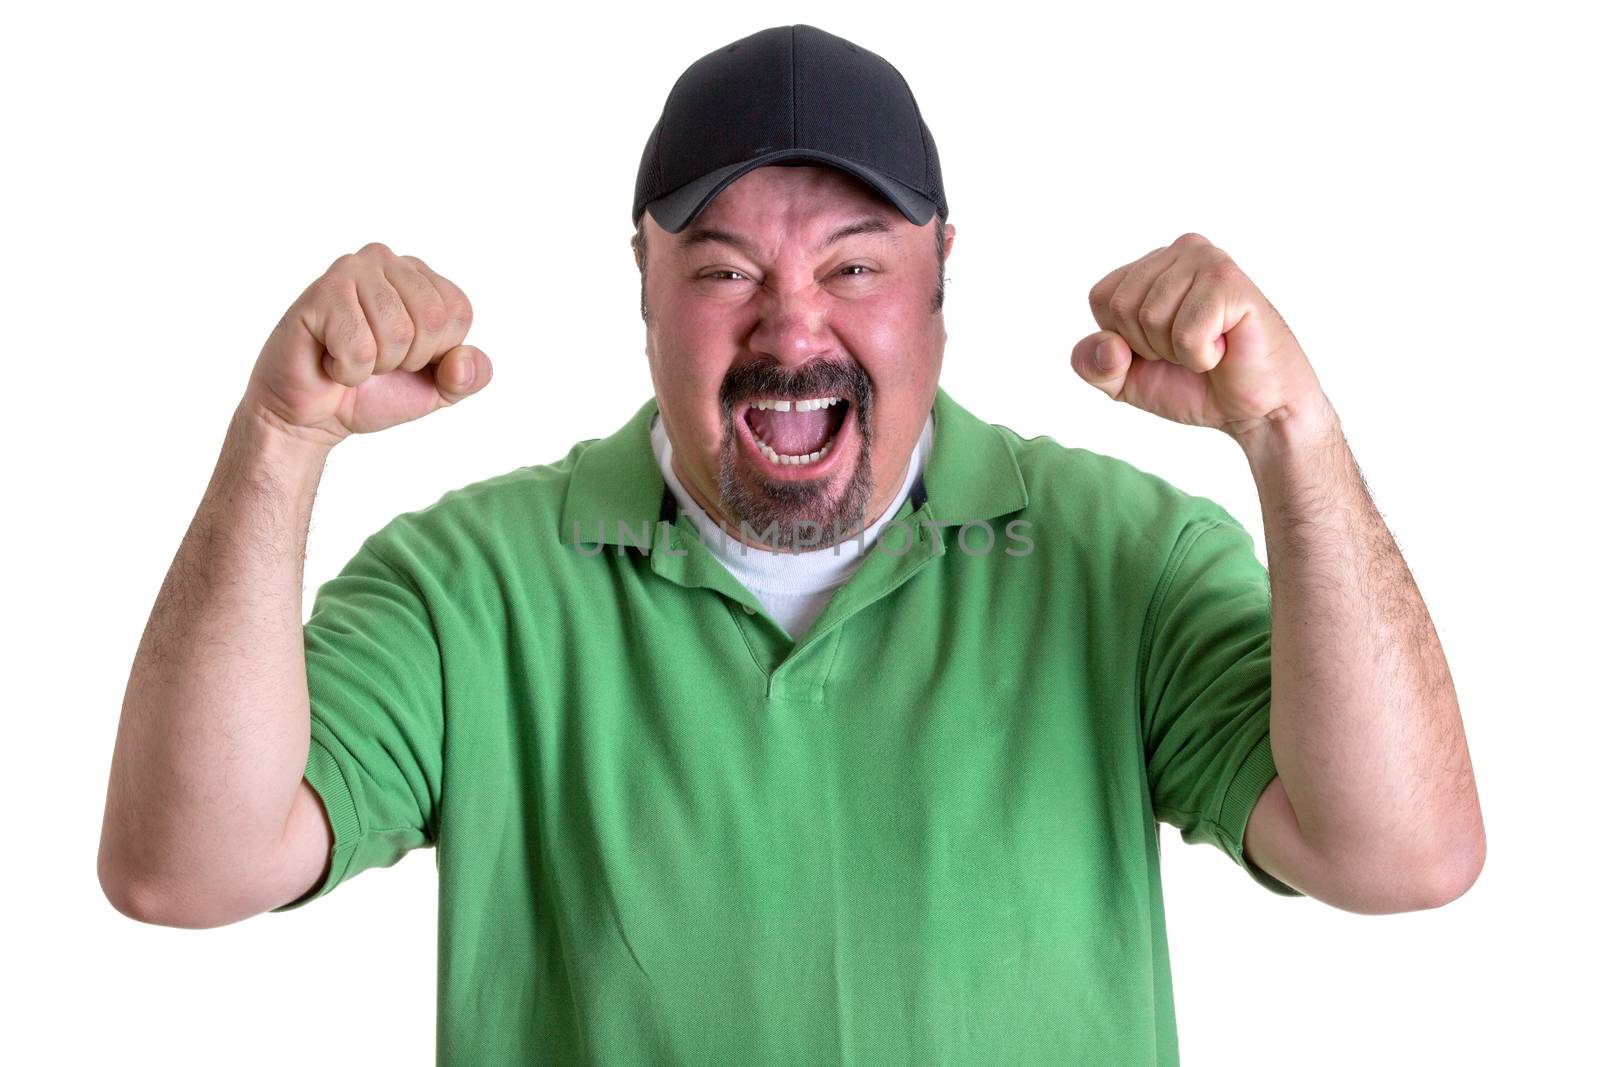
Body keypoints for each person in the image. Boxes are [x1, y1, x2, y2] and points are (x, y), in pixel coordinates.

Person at [98, 23, 1485, 1066]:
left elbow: (1401, 857)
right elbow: (184, 869)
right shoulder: (474, 586)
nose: (792, 328)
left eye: (856, 266)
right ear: (641, 282)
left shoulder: (1123, 558)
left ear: (943, 279)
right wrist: (279, 438)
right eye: (723, 270)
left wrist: (1292, 435)